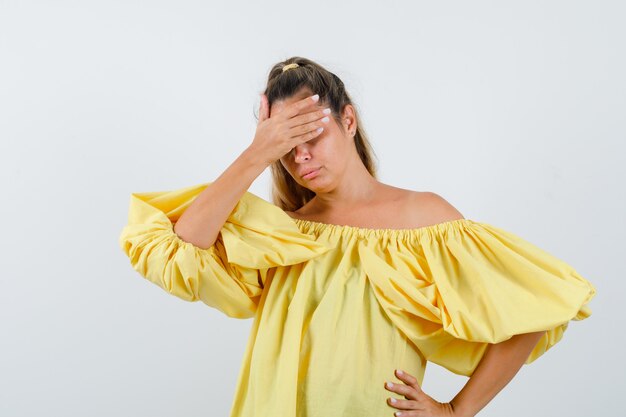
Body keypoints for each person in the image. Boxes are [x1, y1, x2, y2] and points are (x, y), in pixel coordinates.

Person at [118, 57, 596, 417]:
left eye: (312, 135)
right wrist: (256, 154)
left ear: (348, 121)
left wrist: (456, 410)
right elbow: (174, 254)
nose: (300, 156)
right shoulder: (284, 233)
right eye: (287, 145)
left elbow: (537, 306)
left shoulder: (422, 218)